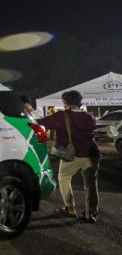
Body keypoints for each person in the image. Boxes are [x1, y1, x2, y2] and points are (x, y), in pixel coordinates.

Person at [36, 90, 101, 223]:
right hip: (92, 153)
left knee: (64, 178)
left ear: (65, 102)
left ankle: (70, 208)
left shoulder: (62, 116)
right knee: (91, 184)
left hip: (73, 154)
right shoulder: (90, 117)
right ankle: (90, 213)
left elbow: (40, 122)